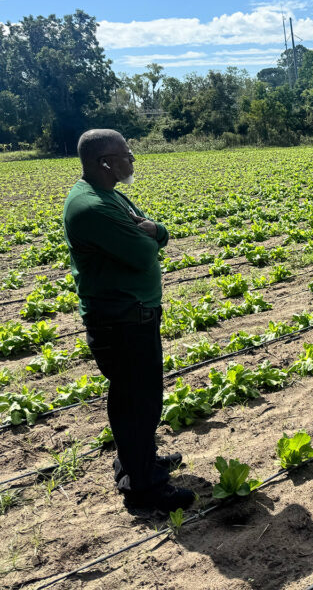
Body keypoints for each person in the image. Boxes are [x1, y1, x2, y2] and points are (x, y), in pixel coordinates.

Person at [62, 129, 196, 512]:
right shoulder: (92, 207)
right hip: (121, 321)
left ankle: (137, 463)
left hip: (131, 315)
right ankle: (145, 488)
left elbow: (152, 229)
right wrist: (152, 235)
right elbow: (143, 251)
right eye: (125, 155)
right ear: (105, 163)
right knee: (137, 400)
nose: (131, 160)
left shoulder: (108, 195)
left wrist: (157, 231)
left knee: (136, 397)